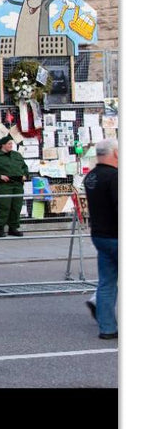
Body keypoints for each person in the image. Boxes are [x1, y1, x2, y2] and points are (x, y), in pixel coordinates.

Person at [84, 138, 118, 340]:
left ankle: (107, 328)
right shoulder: (114, 177)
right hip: (117, 235)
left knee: (106, 283)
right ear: (115, 153)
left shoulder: (91, 177)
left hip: (100, 235)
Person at [0, 134, 29, 237]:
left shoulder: (16, 155)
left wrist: (25, 175)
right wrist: (0, 176)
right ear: (3, 145)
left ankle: (13, 228)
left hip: (18, 184)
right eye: (9, 144)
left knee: (16, 207)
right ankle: (0, 229)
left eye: (11, 144)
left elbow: (24, 167)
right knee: (4, 206)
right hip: (4, 185)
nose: (11, 145)